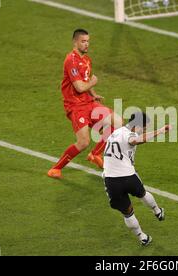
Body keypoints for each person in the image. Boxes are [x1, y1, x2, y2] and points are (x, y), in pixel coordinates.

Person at [48, 29, 122, 179]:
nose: (86, 44)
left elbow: (85, 82)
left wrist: (93, 94)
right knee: (83, 142)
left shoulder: (86, 59)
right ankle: (55, 169)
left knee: (118, 122)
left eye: (88, 41)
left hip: (88, 103)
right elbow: (80, 87)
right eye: (83, 41)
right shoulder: (71, 60)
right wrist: (93, 82)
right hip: (75, 106)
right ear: (75, 42)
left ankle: (95, 154)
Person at [103, 112, 171, 246]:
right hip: (128, 177)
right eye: (144, 128)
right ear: (137, 125)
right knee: (143, 194)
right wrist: (160, 131)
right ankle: (157, 211)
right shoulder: (130, 134)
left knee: (127, 213)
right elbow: (135, 140)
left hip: (111, 180)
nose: (143, 131)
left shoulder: (115, 133)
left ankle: (142, 237)